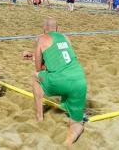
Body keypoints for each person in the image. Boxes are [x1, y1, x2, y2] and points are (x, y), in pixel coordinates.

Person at [31, 17, 87, 145]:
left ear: (44, 29)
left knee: (35, 76)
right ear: (58, 28)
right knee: (77, 123)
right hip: (79, 81)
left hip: (60, 81)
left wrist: (34, 58)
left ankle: (39, 116)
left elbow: (39, 68)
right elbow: (63, 58)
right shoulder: (66, 38)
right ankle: (69, 140)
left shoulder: (41, 39)